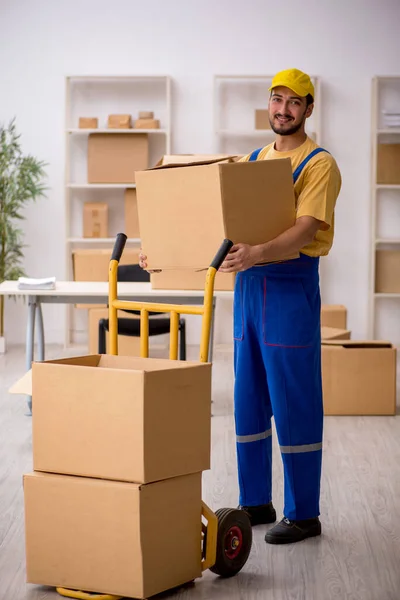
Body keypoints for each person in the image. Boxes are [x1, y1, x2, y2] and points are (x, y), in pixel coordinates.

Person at [139, 67, 341, 545]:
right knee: (248, 398)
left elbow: (306, 228)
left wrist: (256, 253)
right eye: (277, 100)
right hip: (249, 290)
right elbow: (217, 226)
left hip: (289, 288)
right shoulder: (251, 160)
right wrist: (164, 252)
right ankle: (256, 501)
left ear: (309, 108)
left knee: (293, 400)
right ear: (267, 105)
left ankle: (304, 513)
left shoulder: (318, 164)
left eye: (294, 102)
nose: (283, 110)